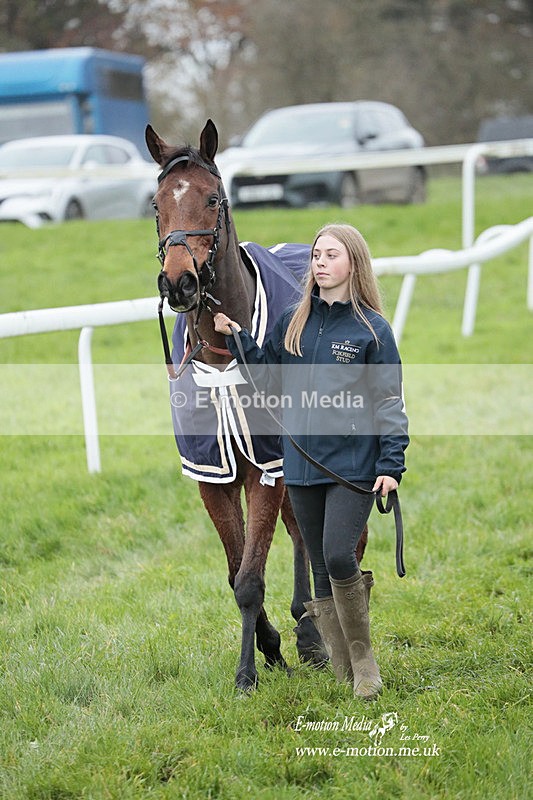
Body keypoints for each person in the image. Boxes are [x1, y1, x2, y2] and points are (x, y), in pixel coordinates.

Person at [214, 223, 409, 700]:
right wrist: (238, 339)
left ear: (353, 264)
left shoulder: (372, 331)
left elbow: (389, 402)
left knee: (340, 553)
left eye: (331, 255)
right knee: (320, 563)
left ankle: (363, 662)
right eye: (317, 254)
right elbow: (269, 376)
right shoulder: (292, 322)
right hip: (300, 467)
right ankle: (343, 668)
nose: (319, 262)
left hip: (352, 466)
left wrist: (390, 463)